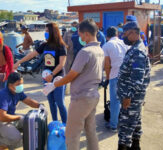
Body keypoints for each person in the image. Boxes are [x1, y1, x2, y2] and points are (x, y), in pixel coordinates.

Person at [44, 19, 104, 150]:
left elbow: (72, 75)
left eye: (80, 34)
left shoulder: (85, 52)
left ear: (86, 34)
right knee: (90, 131)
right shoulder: (99, 50)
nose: (79, 37)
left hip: (81, 98)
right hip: (93, 95)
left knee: (72, 134)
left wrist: (55, 84)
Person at [14, 22, 68, 124]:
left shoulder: (61, 46)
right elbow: (31, 55)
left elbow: (61, 64)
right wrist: (19, 62)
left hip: (58, 77)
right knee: (51, 102)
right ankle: (55, 123)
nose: (45, 33)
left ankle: (65, 125)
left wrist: (52, 75)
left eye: (47, 31)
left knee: (60, 102)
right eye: (45, 31)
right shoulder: (44, 45)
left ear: (53, 32)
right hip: (46, 77)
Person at [0, 72, 46, 149]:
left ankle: (11, 134)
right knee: (17, 139)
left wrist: (40, 106)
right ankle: (0, 141)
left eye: (22, 84)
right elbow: (2, 117)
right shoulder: (3, 96)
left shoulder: (17, 91)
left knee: (32, 123)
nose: (21, 86)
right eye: (18, 84)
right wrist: (18, 117)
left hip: (10, 117)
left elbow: (29, 101)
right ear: (10, 85)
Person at [117, 22, 150, 150]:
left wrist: (127, 96)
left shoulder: (137, 52)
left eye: (125, 34)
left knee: (125, 128)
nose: (123, 37)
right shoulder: (135, 48)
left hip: (131, 98)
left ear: (134, 33)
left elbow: (137, 79)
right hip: (134, 97)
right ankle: (136, 146)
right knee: (135, 124)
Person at [102, 27, 128, 132]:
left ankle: (113, 125)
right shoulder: (124, 43)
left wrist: (107, 78)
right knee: (126, 99)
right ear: (117, 34)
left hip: (115, 76)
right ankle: (125, 123)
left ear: (107, 36)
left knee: (115, 101)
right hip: (127, 75)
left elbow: (107, 65)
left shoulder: (106, 46)